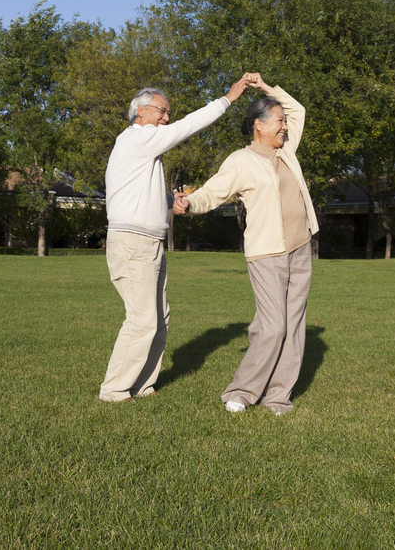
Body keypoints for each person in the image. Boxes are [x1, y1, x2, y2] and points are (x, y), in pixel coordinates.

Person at [100, 76, 253, 403]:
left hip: (149, 243)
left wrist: (170, 200)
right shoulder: (136, 139)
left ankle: (142, 384)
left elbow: (134, 194)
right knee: (141, 319)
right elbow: (189, 126)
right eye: (162, 111)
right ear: (140, 111)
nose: (167, 118)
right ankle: (113, 390)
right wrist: (229, 97)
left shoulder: (143, 150)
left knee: (158, 317)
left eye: (169, 113)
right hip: (132, 243)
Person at [173, 74, 318, 415]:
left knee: (294, 327)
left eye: (284, 122)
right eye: (278, 121)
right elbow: (213, 190)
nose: (284, 126)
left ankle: (278, 396)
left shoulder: (286, 151)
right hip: (266, 252)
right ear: (258, 125)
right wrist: (190, 203)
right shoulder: (240, 160)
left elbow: (297, 109)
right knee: (273, 325)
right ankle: (240, 391)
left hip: (300, 247)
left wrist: (266, 87)